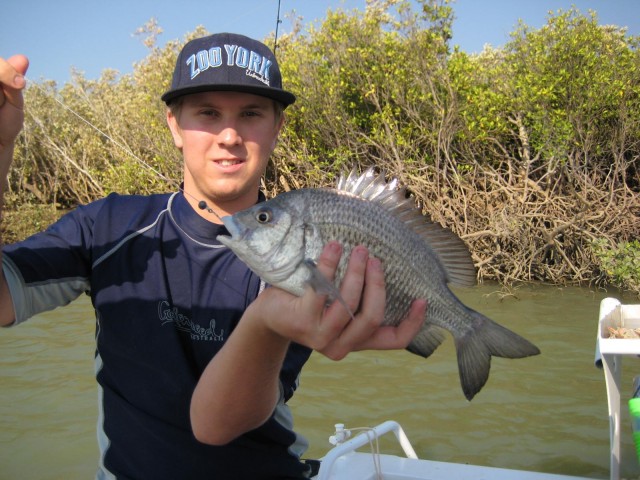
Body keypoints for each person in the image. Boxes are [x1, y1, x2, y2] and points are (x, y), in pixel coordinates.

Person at [0, 33, 427, 479]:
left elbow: (218, 425)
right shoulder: (107, 226)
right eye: (207, 113)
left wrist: (265, 322)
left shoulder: (306, 254)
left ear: (277, 127)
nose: (229, 136)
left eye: (251, 113)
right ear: (174, 125)